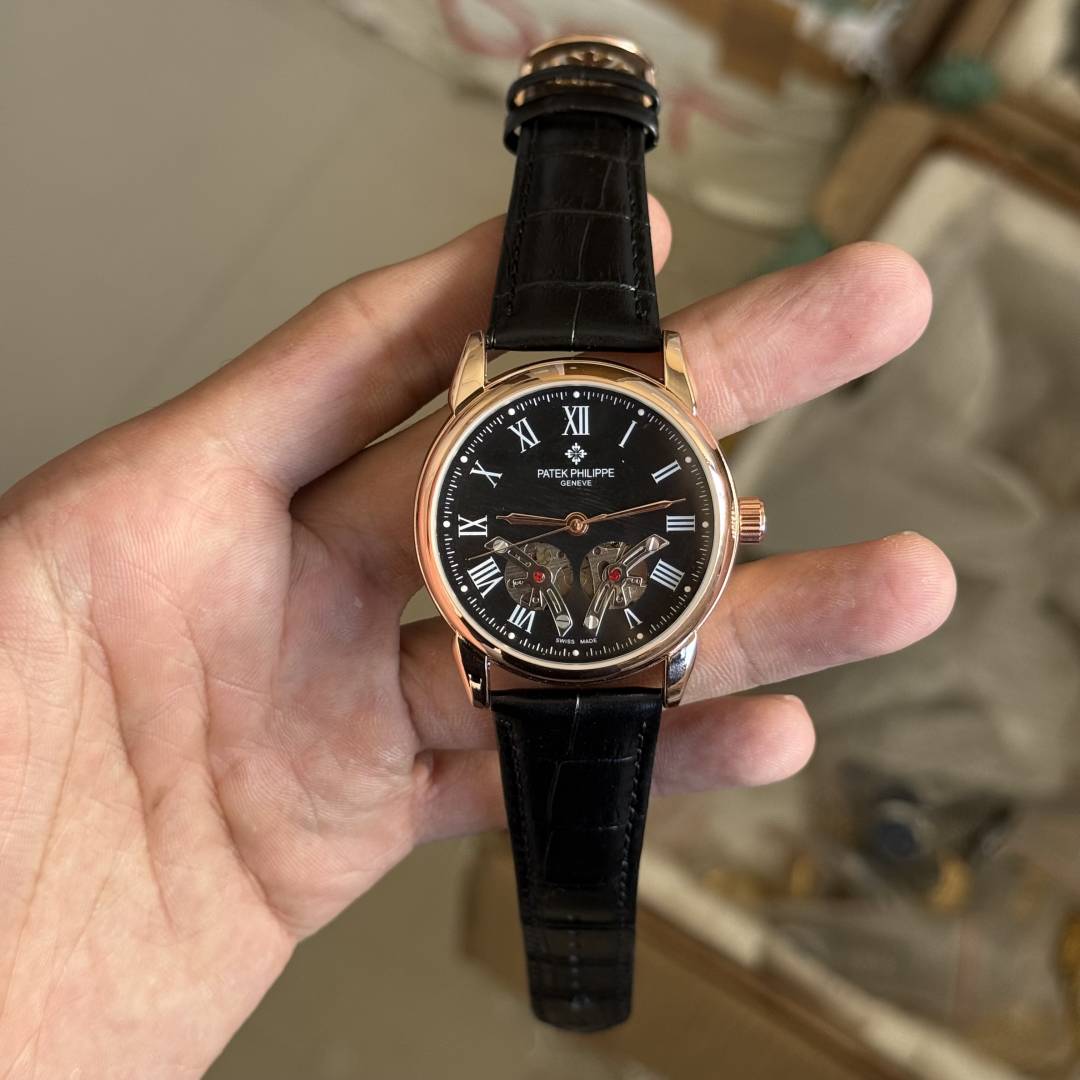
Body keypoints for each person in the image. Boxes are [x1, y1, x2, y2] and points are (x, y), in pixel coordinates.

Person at [0, 203, 953, 1075]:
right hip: (539, 637)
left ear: (729, 522)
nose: (577, 522)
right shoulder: (539, 478)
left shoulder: (603, 462)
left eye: (589, 520)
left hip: (595, 638)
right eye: (566, 520)